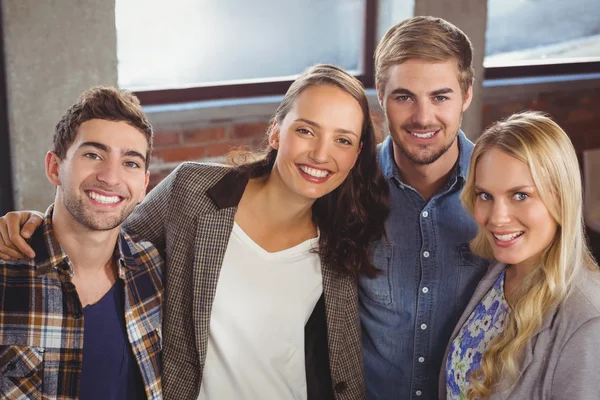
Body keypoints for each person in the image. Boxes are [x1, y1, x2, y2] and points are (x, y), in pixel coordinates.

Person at [0, 64, 389, 399]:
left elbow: (343, 363)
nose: (321, 154)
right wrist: (36, 224)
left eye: (342, 140)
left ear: (355, 156)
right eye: (306, 130)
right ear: (275, 132)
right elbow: (107, 231)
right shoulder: (194, 194)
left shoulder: (342, 236)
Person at [0, 87, 163, 399]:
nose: (110, 177)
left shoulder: (155, 269)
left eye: (130, 162)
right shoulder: (7, 272)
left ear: (143, 185)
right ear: (54, 168)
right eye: (93, 155)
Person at [360, 16, 489, 399]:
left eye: (440, 96)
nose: (422, 117)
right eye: (404, 97)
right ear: (381, 94)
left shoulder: (504, 192)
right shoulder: (350, 189)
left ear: (466, 95)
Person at [440, 111, 600, 400]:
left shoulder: (589, 321)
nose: (497, 219)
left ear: (561, 198)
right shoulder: (498, 272)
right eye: (485, 195)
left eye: (520, 195)